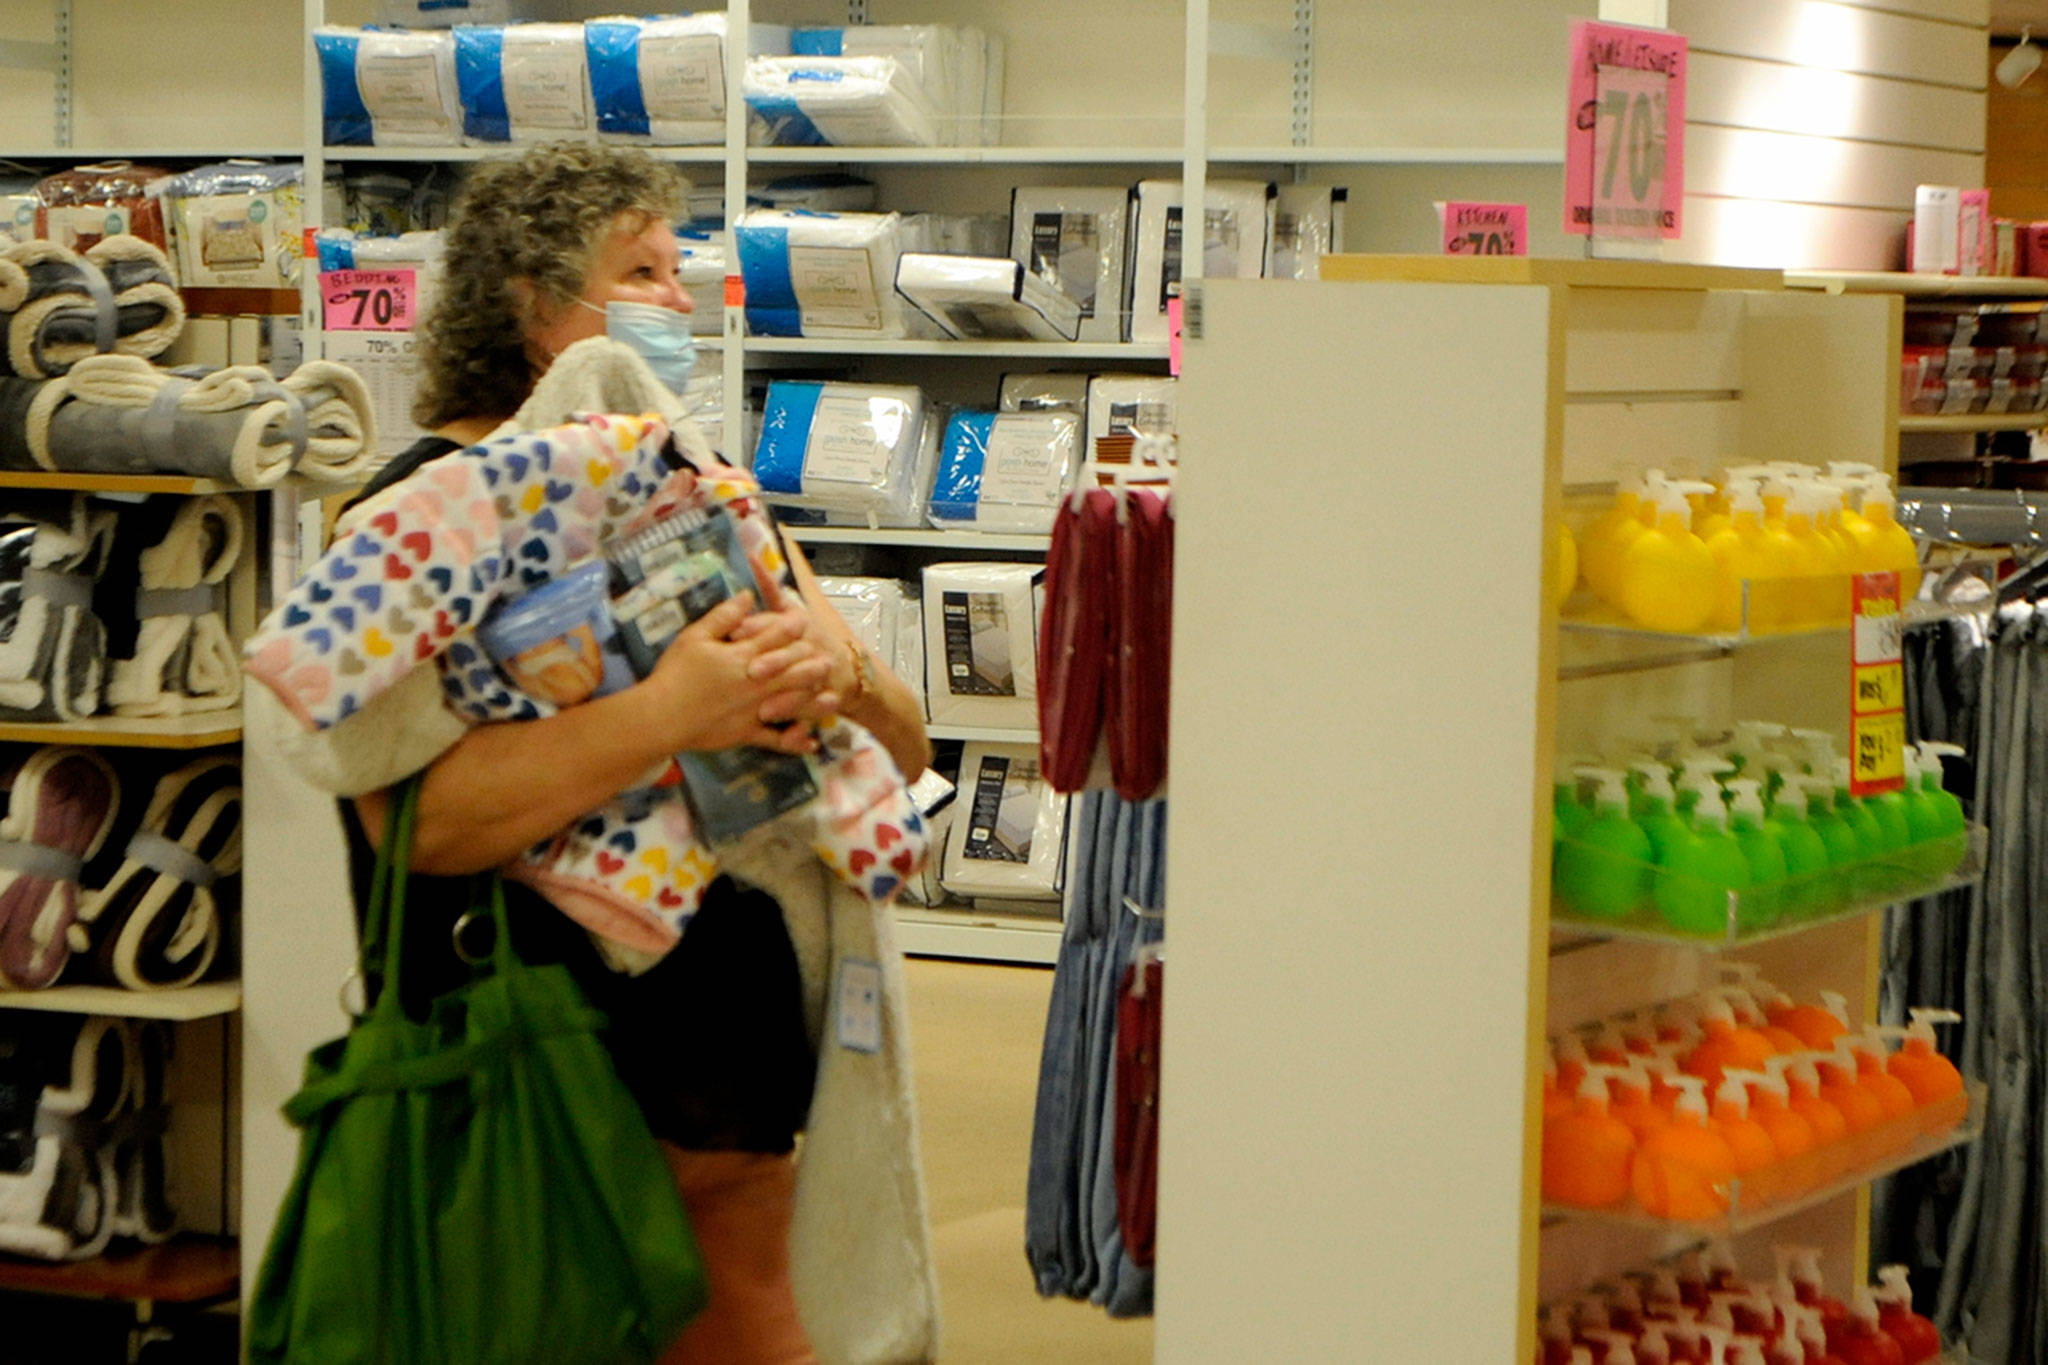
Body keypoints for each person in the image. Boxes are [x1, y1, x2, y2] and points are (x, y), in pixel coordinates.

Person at [333, 144, 932, 1363]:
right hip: (535, 1032)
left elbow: (906, 739)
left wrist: (843, 673)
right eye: (638, 270)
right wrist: (673, 711)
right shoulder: (414, 516)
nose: (671, 297)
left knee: (748, 1307)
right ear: (531, 300)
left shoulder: (699, 486)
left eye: (677, 266)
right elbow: (418, 829)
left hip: (729, 1024)